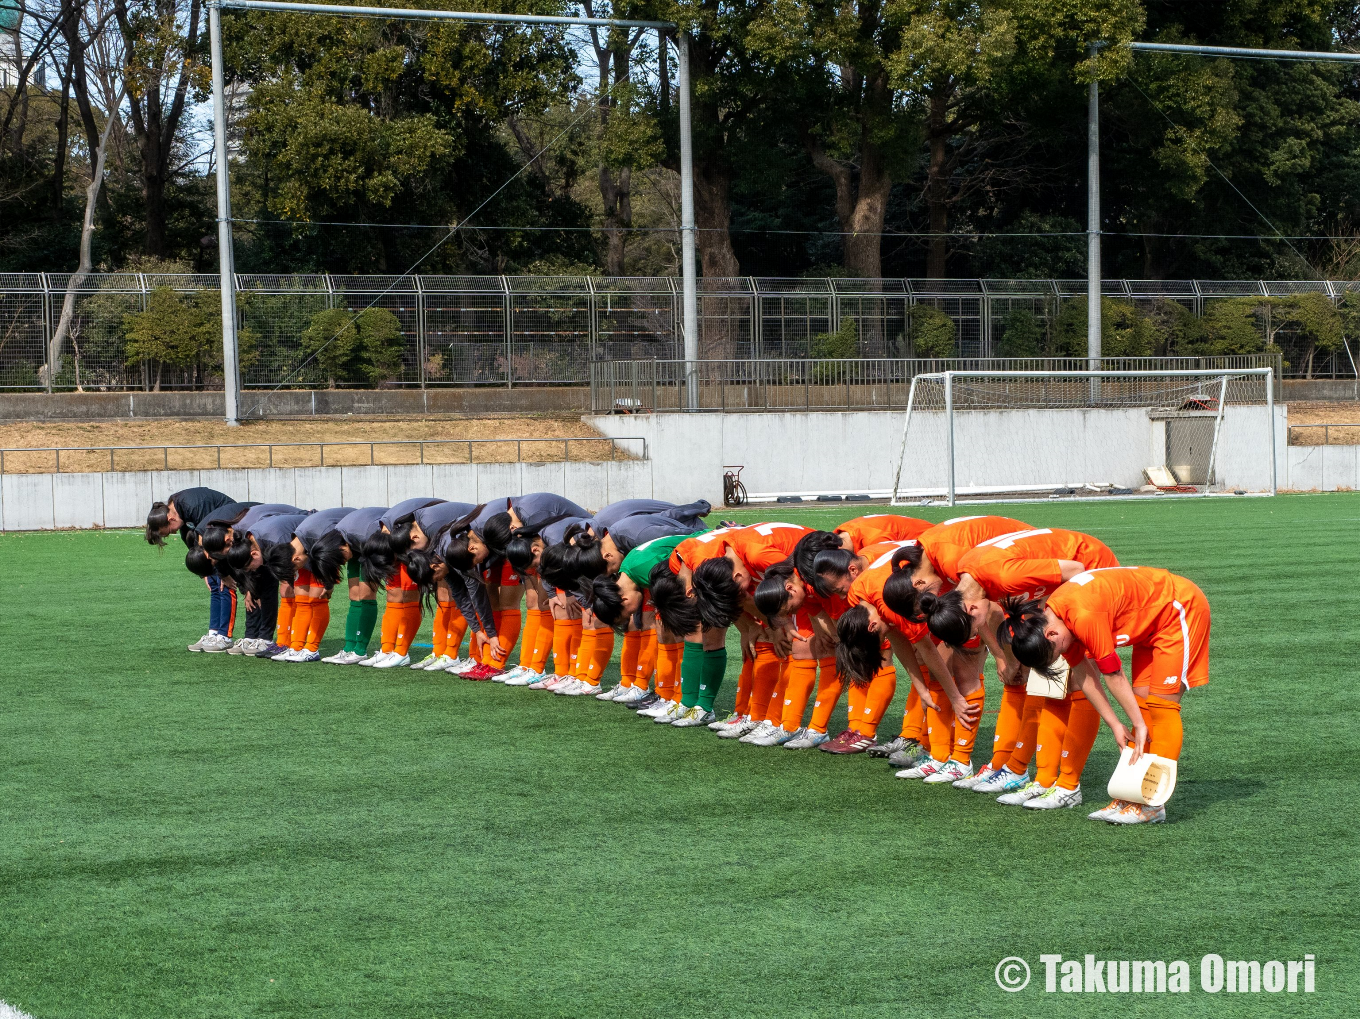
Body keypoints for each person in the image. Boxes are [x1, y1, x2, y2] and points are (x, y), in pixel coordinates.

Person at [917, 527, 1120, 805]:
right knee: (1047, 681)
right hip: (1059, 585)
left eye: (973, 631)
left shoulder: (1000, 576)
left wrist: (1053, 619)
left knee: (1070, 677)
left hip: (1091, 571)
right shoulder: (971, 583)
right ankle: (1044, 779)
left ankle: (1068, 786)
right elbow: (994, 612)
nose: (978, 637)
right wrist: (1007, 655)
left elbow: (1077, 569)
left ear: (971, 610)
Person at [1003, 566, 1203, 824]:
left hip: (1178, 610)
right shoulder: (1055, 622)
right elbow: (1084, 675)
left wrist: (1139, 725)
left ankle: (1152, 803)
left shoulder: (1082, 617)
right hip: (1151, 622)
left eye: (1056, 653)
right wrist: (1115, 724)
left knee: (1161, 707)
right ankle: (1133, 796)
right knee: (1142, 704)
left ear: (1051, 635)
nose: (1061, 654)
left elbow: (1113, 675)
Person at [147, 488, 240, 652]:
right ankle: (214, 634)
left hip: (230, 533)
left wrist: (224, 573)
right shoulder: (180, 512)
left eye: (168, 531)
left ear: (170, 519)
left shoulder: (192, 505)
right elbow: (192, 543)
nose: (172, 533)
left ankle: (225, 636)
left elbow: (212, 539)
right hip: (213, 541)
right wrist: (203, 569)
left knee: (224, 584)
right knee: (213, 583)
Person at [319, 506, 388, 665]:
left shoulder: (362, 535)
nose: (341, 562)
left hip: (370, 545)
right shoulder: (342, 538)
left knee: (366, 595)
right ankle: (349, 647)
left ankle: (360, 650)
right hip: (356, 546)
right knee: (354, 595)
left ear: (341, 547)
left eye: (340, 558)